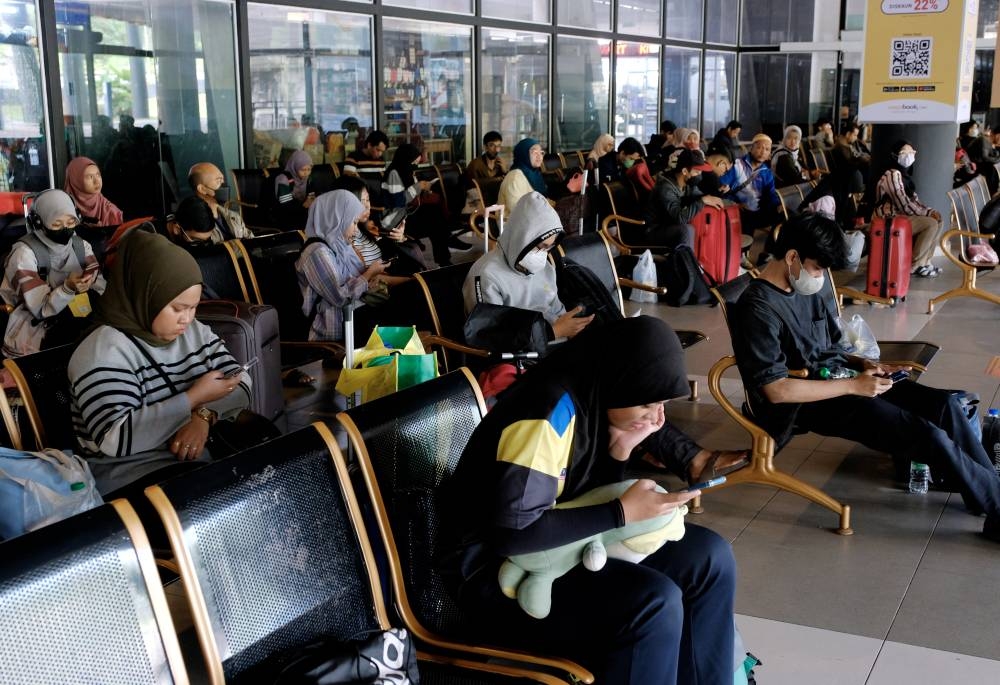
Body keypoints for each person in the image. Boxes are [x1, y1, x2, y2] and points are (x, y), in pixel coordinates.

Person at [438, 315, 738, 684]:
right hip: (492, 573)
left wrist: (619, 451)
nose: (657, 417)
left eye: (663, 404)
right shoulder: (546, 415)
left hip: (555, 546)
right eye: (648, 403)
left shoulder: (595, 395)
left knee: (708, 556)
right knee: (651, 603)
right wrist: (621, 512)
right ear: (620, 381)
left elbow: (579, 497)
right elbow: (513, 534)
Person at [731, 212, 1000, 543]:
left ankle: (989, 492)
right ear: (791, 257)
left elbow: (828, 346)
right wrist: (853, 385)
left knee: (945, 405)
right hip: (809, 402)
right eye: (818, 268)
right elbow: (776, 390)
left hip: (843, 380)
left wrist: (863, 365)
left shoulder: (805, 286)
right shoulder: (758, 308)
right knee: (927, 436)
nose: (820, 277)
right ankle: (997, 506)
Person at [68, 230, 251, 496]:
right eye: (177, 309)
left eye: (193, 307)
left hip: (192, 466)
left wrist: (204, 416)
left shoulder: (193, 331)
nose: (187, 319)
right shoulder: (102, 350)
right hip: (130, 478)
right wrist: (193, 398)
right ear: (145, 295)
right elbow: (115, 438)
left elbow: (241, 380)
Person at [463, 191, 592, 342]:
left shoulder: (544, 267)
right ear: (522, 238)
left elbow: (555, 308)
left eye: (548, 248)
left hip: (556, 342)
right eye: (540, 246)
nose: (542, 254)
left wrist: (572, 326)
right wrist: (553, 332)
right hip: (526, 356)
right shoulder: (486, 275)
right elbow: (489, 336)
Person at [1, 189, 106, 357]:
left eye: (71, 221)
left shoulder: (80, 246)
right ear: (38, 222)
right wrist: (67, 288)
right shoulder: (23, 254)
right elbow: (40, 308)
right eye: (56, 224)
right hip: (35, 332)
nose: (65, 229)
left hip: (79, 322)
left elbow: (100, 287)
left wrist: (89, 285)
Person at [296, 189, 386, 341]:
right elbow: (340, 297)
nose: (356, 229)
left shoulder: (338, 244)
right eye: (353, 222)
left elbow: (354, 278)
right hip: (336, 326)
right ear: (337, 219)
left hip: (352, 316)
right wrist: (368, 274)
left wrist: (369, 281)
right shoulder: (316, 252)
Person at [872, 139, 943, 277]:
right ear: (895, 155)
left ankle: (926, 262)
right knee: (931, 223)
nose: (909, 155)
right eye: (904, 152)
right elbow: (903, 203)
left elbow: (914, 200)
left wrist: (931, 211)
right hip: (888, 218)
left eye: (912, 152)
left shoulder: (905, 176)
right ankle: (915, 265)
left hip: (901, 216)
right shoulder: (892, 174)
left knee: (938, 219)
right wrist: (928, 214)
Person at [381, 143, 456, 267]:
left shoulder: (407, 172)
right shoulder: (393, 174)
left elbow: (412, 196)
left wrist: (424, 189)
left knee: (435, 214)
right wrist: (419, 186)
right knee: (436, 219)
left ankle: (445, 254)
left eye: (416, 163)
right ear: (406, 160)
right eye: (413, 163)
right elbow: (398, 201)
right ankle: (446, 249)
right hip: (396, 219)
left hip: (408, 214)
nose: (414, 166)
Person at [337, 175, 424, 279]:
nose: (367, 206)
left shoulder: (363, 230)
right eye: (361, 201)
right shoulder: (344, 240)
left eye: (368, 200)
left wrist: (399, 238)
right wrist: (412, 281)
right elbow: (369, 279)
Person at [641, 148, 723, 249]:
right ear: (684, 171)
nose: (699, 175)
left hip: (669, 226)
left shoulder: (688, 184)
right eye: (697, 172)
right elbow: (679, 218)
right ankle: (688, 263)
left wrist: (717, 195)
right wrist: (702, 201)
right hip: (654, 230)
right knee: (687, 230)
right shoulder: (666, 187)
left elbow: (699, 196)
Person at [719, 133, 782, 235]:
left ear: (769, 154)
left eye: (767, 149)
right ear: (751, 148)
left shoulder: (766, 172)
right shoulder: (737, 165)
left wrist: (779, 205)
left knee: (784, 217)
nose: (763, 152)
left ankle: (770, 248)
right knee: (747, 221)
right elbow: (722, 187)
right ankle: (743, 249)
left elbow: (770, 195)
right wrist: (734, 203)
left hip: (757, 210)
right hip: (738, 209)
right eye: (759, 148)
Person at [187, 162, 252, 240]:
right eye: (218, 180)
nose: (223, 183)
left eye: (222, 179)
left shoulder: (234, 217)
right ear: (202, 189)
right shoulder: (196, 225)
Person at [63, 156, 123, 226]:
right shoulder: (62, 208)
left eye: (98, 175)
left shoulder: (111, 212)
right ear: (76, 180)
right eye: (90, 177)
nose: (97, 181)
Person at [498, 138, 547, 216]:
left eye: (541, 152)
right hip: (512, 223)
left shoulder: (534, 173)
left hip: (534, 217)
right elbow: (516, 209)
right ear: (523, 154)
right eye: (535, 152)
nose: (539, 156)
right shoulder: (515, 177)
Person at [273, 150, 317, 230]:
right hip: (285, 217)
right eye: (303, 170)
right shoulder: (283, 179)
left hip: (302, 214)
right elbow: (285, 207)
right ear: (295, 167)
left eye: (309, 169)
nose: (306, 173)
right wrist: (303, 205)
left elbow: (311, 197)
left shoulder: (308, 179)